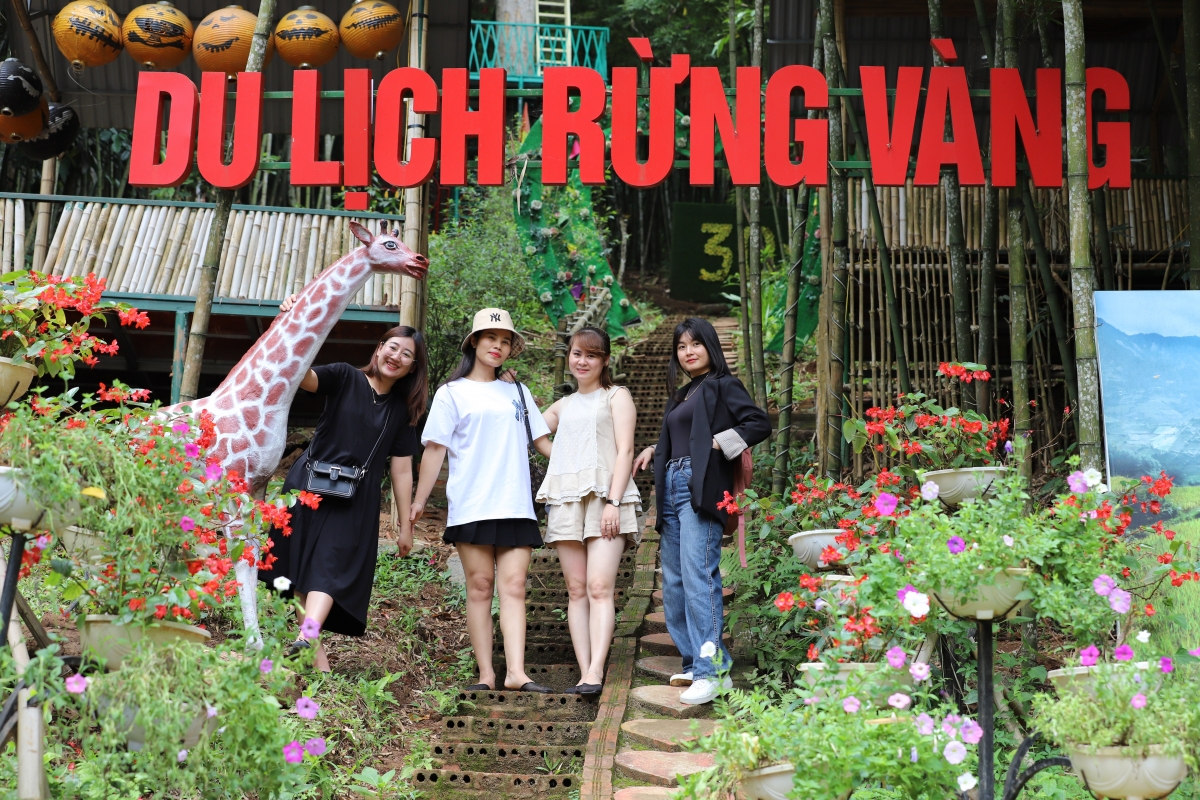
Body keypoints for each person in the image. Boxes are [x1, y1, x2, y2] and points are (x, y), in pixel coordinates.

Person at [262, 309, 428, 673]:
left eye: (406, 355)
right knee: (298, 568)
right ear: (379, 347)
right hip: (308, 484)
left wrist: (406, 526)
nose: (396, 357)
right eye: (392, 347)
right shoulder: (344, 375)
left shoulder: (402, 411)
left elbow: (402, 470)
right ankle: (317, 660)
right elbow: (303, 377)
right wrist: (292, 322)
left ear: (412, 368)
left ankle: (306, 639)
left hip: (355, 497)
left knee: (329, 568)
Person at [410, 308, 555, 693]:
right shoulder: (451, 393)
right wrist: (419, 500)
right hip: (472, 504)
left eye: (505, 341)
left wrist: (585, 469)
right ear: (474, 341)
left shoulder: (518, 392)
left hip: (516, 503)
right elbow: (435, 449)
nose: (498, 346)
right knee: (479, 586)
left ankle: (517, 673)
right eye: (491, 337)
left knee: (515, 587)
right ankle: (486, 675)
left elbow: (542, 443)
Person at [632, 317, 770, 705]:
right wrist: (654, 449)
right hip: (671, 486)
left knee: (697, 574)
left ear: (710, 346)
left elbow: (758, 423)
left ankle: (713, 672)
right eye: (681, 346)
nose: (688, 351)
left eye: (695, 344)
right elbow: (679, 437)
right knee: (674, 581)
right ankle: (695, 662)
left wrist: (719, 443)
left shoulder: (723, 385)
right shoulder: (681, 395)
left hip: (701, 483)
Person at [536, 326, 640, 695]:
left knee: (599, 586)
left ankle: (597, 670)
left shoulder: (616, 396)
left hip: (606, 498)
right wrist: (564, 462)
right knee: (576, 589)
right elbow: (532, 433)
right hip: (566, 499)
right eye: (577, 353)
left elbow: (626, 451)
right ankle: (584, 672)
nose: (582, 361)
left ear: (605, 360)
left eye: (591, 355)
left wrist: (614, 501)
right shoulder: (561, 406)